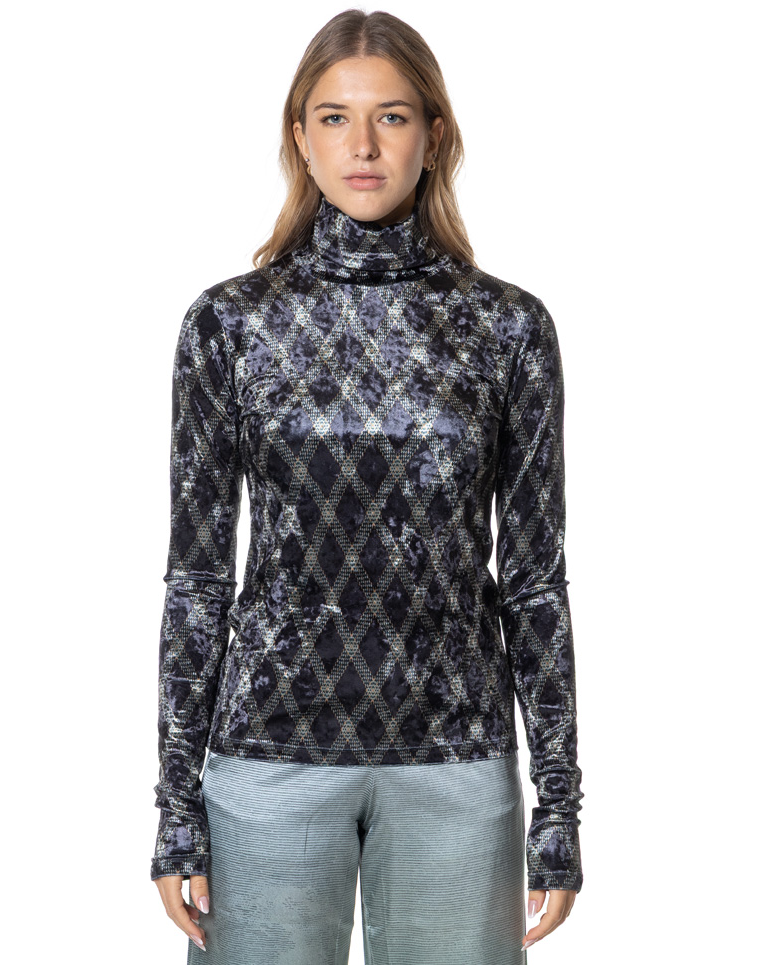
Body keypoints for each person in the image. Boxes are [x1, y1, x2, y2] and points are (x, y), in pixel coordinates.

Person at [151, 9, 584, 964]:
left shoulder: (508, 328)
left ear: (434, 135)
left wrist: (559, 804)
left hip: (457, 760)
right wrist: (176, 802)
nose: (363, 145)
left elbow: (534, 581)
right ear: (299, 138)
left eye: (391, 116)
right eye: (335, 117)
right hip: (265, 758)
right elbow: (197, 578)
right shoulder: (229, 326)